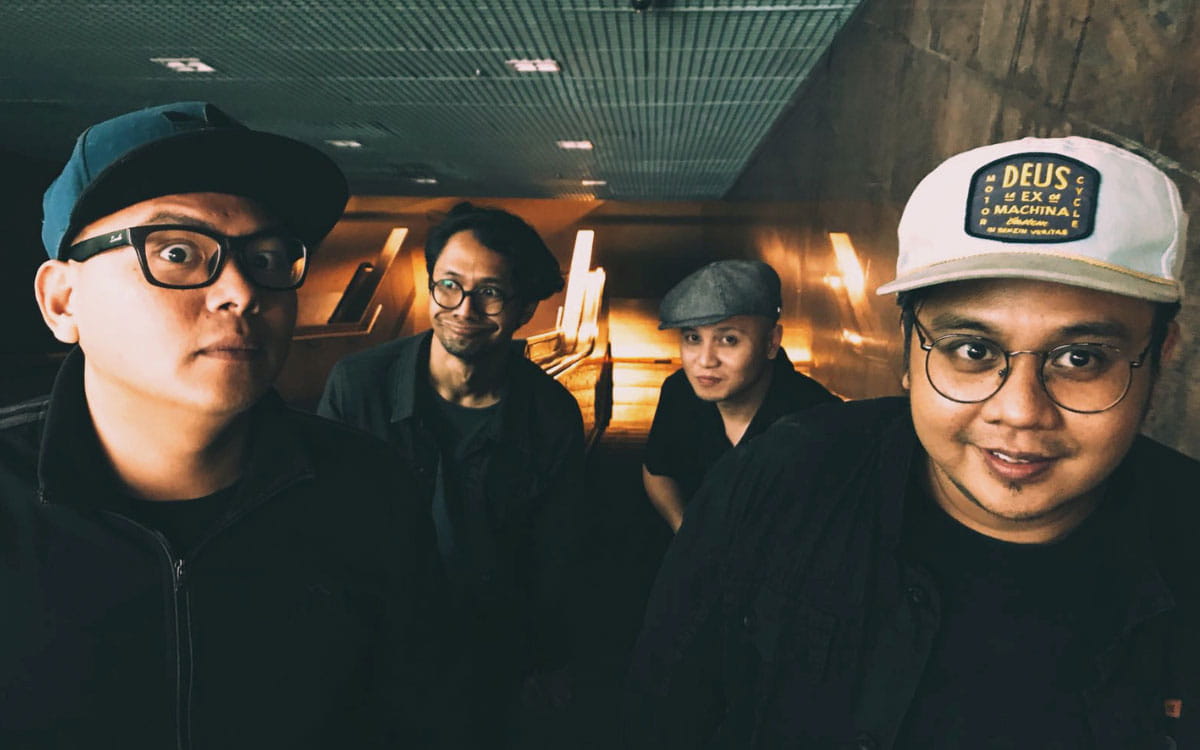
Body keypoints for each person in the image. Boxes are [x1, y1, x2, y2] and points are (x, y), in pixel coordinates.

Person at [626, 136, 1198, 748]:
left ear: (1160, 356)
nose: (1019, 412)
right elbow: (666, 712)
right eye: (972, 350)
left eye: (1081, 358)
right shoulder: (776, 479)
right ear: (907, 353)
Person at [0, 102, 440, 749]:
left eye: (267, 257)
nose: (242, 290)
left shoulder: (371, 494)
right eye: (177, 251)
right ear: (63, 302)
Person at [318, 202, 585, 744]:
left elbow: (555, 550)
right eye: (449, 286)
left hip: (485, 653)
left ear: (524, 308)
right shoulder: (358, 385)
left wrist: (550, 658)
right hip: (372, 644)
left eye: (491, 291)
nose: (464, 308)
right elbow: (318, 522)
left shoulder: (551, 413)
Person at [643, 259, 838, 532]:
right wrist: (685, 531)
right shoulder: (679, 391)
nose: (705, 361)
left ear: (771, 342)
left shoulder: (818, 417)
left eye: (729, 340)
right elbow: (657, 470)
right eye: (693, 338)